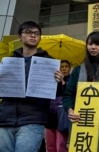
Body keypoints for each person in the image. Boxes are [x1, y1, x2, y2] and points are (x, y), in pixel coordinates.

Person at [0, 21, 63, 152]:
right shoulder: (8, 61)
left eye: (37, 33)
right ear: (19, 36)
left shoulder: (49, 62)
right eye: (28, 32)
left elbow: (55, 94)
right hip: (5, 119)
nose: (33, 35)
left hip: (33, 120)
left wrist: (59, 82)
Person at [45, 60, 71, 152]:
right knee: (50, 144)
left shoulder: (72, 80)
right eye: (61, 67)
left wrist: (63, 82)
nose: (63, 69)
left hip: (62, 116)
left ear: (69, 68)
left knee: (61, 144)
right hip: (50, 115)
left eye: (66, 66)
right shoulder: (51, 80)